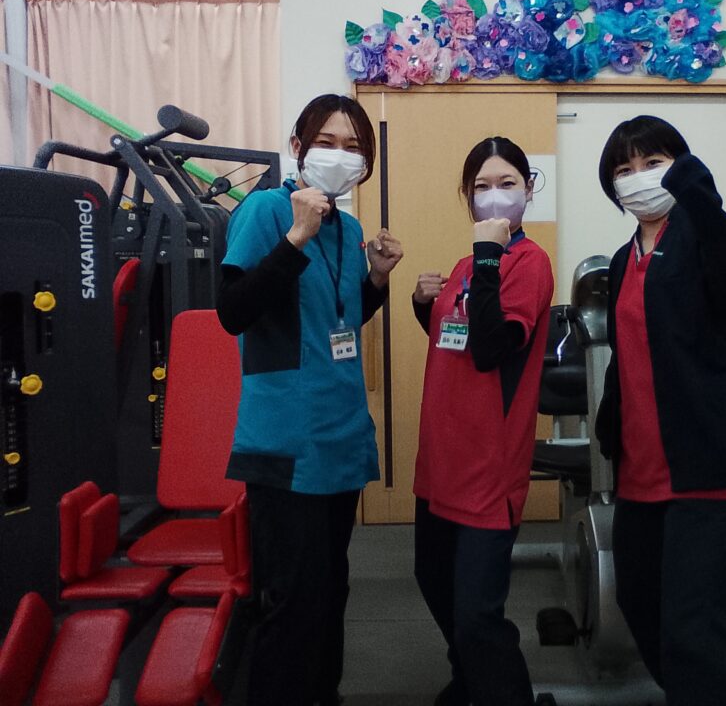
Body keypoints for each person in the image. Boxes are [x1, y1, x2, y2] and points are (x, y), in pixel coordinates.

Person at [216, 93, 403, 706]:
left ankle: (325, 695)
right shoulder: (266, 210)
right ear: (297, 147)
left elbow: (337, 322)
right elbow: (234, 312)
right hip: (286, 439)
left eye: (354, 147)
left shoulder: (350, 229)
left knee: (330, 591)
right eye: (326, 142)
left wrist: (376, 279)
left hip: (339, 434)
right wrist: (296, 237)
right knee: (291, 602)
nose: (340, 156)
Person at [594, 115, 726, 706]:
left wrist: (703, 201)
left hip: (709, 470)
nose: (639, 177)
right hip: (642, 473)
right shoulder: (623, 260)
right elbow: (630, 348)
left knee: (698, 636)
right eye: (624, 169)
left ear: (681, 167)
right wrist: (611, 415)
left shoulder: (702, 234)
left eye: (653, 163)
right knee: (640, 605)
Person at [411, 137, 554, 706]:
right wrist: (425, 305)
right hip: (441, 459)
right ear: (467, 197)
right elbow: (458, 343)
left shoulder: (528, 262)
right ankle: (473, 680)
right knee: (434, 581)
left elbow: (494, 349)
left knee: (476, 614)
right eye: (482, 187)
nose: (494, 196)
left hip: (488, 468)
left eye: (507, 183)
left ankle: (503, 692)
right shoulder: (467, 265)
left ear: (528, 189)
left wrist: (490, 258)